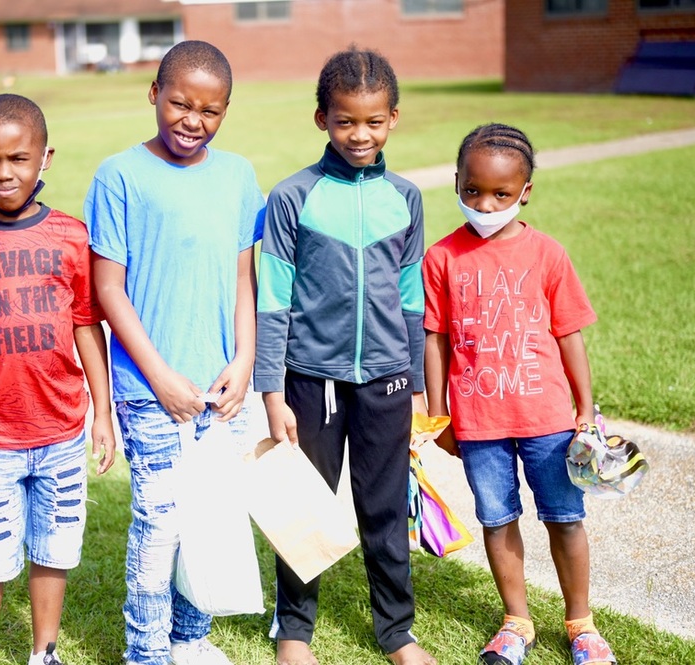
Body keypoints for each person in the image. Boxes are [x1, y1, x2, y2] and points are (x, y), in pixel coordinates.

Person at [83, 40, 265, 665]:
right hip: (147, 387)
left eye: (210, 111)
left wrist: (245, 361)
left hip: (221, 389)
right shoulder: (119, 175)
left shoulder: (239, 175)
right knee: (160, 521)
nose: (193, 121)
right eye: (180, 104)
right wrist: (159, 377)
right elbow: (107, 288)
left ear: (227, 111)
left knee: (210, 514)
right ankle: (146, 651)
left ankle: (189, 639)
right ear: (153, 94)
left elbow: (245, 279)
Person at [254, 46, 436, 665]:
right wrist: (272, 393)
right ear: (322, 120)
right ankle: (295, 631)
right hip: (310, 381)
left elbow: (411, 298)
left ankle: (397, 632)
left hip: (386, 380)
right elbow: (273, 301)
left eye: (374, 121)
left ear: (394, 119)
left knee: (384, 507)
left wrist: (414, 382)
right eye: (346, 121)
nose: (361, 134)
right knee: (301, 505)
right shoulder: (292, 197)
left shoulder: (406, 198)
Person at [0, 93, 116, 665]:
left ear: (45, 158)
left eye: (18, 158)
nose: (4, 172)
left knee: (54, 549)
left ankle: (45, 653)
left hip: (61, 430)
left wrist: (102, 412)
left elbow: (87, 327)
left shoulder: (71, 238)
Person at [422, 122, 616, 665]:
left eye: (501, 194)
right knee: (496, 517)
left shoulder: (549, 254)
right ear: (456, 182)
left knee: (564, 516)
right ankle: (516, 622)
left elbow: (569, 335)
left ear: (525, 191)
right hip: (477, 422)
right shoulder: (442, 258)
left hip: (549, 419)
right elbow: (434, 340)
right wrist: (439, 415)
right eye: (472, 191)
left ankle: (581, 624)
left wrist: (583, 409)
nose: (486, 204)